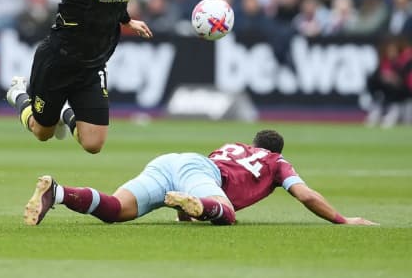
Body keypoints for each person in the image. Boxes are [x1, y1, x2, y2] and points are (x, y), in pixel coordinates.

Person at [5, 0, 152, 154]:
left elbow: (113, 0)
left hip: (93, 65)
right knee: (43, 132)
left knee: (93, 145)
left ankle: (65, 111)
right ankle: (18, 94)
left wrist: (127, 20)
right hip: (59, 61)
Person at [23, 130, 376, 227]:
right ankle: (206, 208)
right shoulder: (277, 162)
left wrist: (185, 209)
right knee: (225, 213)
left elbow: (191, 182)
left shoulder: (233, 146)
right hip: (201, 174)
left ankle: (59, 192)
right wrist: (343, 220)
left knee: (117, 209)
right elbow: (306, 195)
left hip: (175, 161)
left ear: (252, 144)